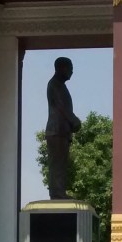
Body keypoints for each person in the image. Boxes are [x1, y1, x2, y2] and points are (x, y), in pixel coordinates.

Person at [45, 57, 81, 199]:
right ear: (61, 68)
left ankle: (59, 191)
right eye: (69, 68)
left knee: (61, 164)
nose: (72, 71)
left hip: (61, 131)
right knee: (57, 164)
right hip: (56, 130)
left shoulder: (59, 85)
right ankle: (57, 193)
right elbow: (62, 107)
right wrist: (74, 121)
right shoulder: (55, 85)